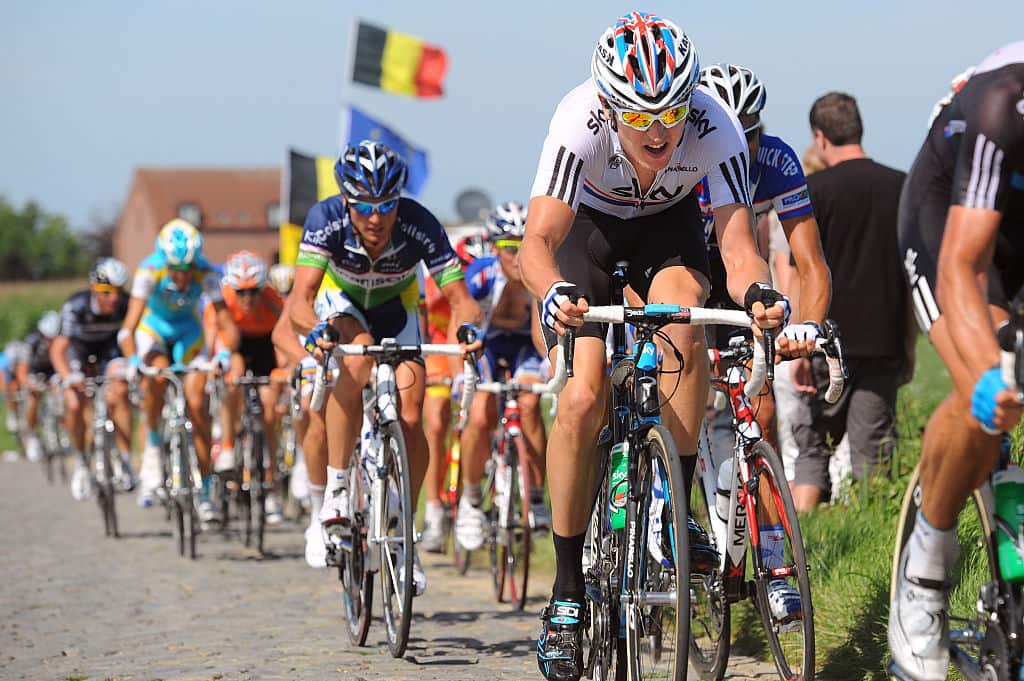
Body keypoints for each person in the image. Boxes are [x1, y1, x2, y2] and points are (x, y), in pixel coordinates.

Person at [518, 13, 786, 680]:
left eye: (671, 110)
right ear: (610, 106)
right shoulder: (577, 119)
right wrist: (552, 292)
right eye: (640, 118)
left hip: (665, 232)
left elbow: (737, 246)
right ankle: (565, 594)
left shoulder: (714, 123)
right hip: (589, 232)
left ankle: (675, 499)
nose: (660, 131)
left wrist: (758, 294)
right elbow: (537, 243)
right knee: (581, 397)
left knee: (683, 324)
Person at [290, 140, 482, 595]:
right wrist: (317, 329)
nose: (375, 218)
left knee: (411, 412)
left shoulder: (419, 224)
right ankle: (337, 488)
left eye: (386, 205)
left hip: (398, 310)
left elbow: (461, 300)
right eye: (363, 206)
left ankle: (404, 534)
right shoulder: (326, 219)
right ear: (345, 201)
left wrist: (467, 332)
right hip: (343, 305)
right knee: (353, 363)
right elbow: (298, 300)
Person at [889, 43, 1024, 681]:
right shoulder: (1006, 99)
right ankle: (927, 566)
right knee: (988, 390)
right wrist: (994, 372)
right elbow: (960, 271)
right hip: (951, 218)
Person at [697, 63, 831, 625]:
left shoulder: (775, 159)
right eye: (729, 129)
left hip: (741, 280)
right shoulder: (685, 153)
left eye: (748, 132)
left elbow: (811, 262)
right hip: (684, 272)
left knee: (763, 413)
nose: (740, 143)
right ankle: (672, 517)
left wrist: (810, 327)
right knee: (675, 399)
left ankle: (774, 566)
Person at [787, 92, 908, 511]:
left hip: (826, 340)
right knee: (872, 453)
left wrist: (797, 341)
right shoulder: (901, 186)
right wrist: (907, 343)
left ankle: (803, 542)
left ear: (820, 138)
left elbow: (799, 271)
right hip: (883, 341)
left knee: (813, 446)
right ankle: (876, 531)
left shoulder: (812, 189)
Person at [120, 218, 238, 520]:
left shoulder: (207, 272)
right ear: (165, 261)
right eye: (176, 270)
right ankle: (153, 447)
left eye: (187, 270)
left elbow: (226, 325)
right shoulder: (149, 270)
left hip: (188, 332)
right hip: (154, 330)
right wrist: (133, 361)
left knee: (198, 404)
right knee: (156, 376)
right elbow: (128, 329)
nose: (183, 277)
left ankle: (205, 487)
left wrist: (224, 352)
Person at [454, 201, 550, 553]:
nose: (516, 254)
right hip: (488, 344)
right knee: (479, 413)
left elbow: (545, 328)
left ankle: (537, 497)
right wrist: (459, 367)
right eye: (508, 246)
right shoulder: (482, 274)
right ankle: (472, 498)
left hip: (526, 345)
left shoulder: (538, 272)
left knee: (529, 405)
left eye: (522, 243)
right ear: (495, 247)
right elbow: (460, 315)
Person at [203, 250, 287, 524]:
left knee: (270, 412)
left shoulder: (273, 301)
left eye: (253, 292)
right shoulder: (223, 301)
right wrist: (214, 363)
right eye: (241, 293)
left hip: (265, 346)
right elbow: (215, 337)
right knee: (233, 378)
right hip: (236, 346)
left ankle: (271, 485)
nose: (247, 299)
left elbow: (284, 335)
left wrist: (283, 370)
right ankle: (228, 447)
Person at [49, 258, 134, 500]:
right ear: (93, 288)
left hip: (110, 352)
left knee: (120, 390)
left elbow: (134, 338)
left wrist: (132, 366)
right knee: (75, 403)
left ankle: (126, 461)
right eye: (106, 292)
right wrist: (67, 376)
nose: (113, 299)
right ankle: (81, 463)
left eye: (118, 292)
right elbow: (59, 347)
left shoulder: (126, 304)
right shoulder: (76, 306)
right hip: (79, 353)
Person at [16, 311, 61, 463]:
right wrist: (30, 385)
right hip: (33, 371)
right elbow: (22, 371)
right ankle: (32, 435)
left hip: (53, 371)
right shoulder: (31, 342)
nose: (51, 342)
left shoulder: (62, 340)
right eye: (48, 338)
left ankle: (62, 431)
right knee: (33, 398)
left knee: (62, 392)